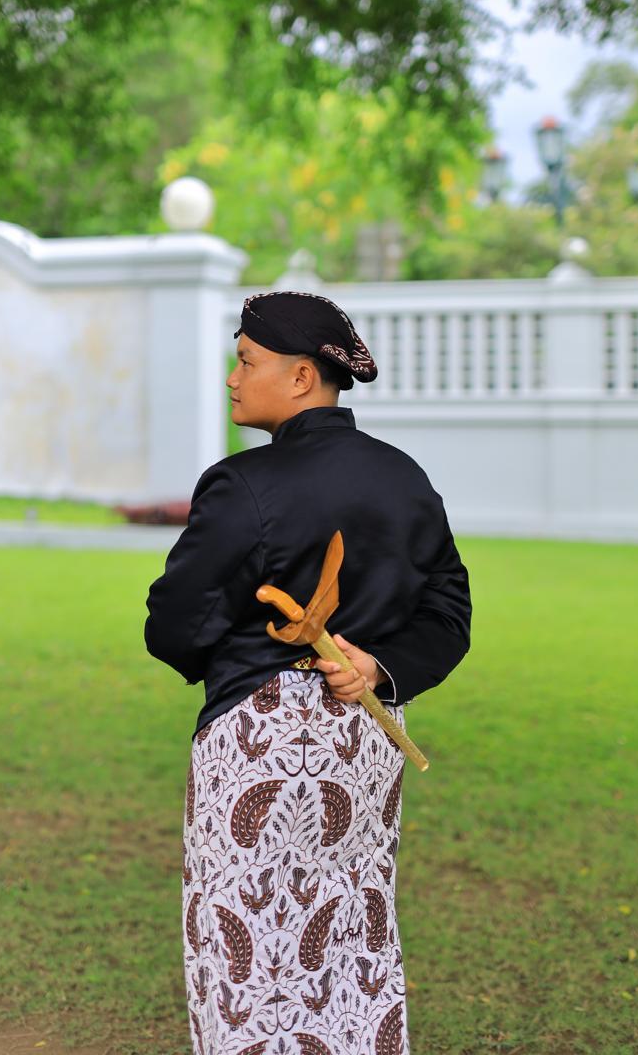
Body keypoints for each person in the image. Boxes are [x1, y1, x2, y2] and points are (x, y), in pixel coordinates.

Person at [144, 290, 471, 1055]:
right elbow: (448, 614)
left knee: (247, 948)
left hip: (257, 744)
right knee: (352, 934)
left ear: (299, 377)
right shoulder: (403, 478)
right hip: (364, 743)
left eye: (246, 361)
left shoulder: (242, 485)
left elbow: (174, 625)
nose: (232, 378)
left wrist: (232, 662)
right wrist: (379, 665)